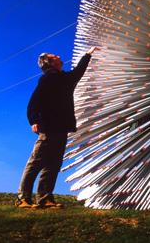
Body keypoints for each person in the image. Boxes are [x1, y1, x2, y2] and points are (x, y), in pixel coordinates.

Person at [16, 46, 98, 208]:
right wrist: (34, 120)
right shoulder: (49, 78)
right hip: (50, 127)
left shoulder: (62, 77)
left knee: (53, 165)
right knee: (36, 162)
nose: (60, 55)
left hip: (61, 128)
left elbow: (76, 74)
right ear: (49, 63)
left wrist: (87, 55)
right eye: (55, 56)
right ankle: (23, 197)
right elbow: (34, 101)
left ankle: (45, 198)